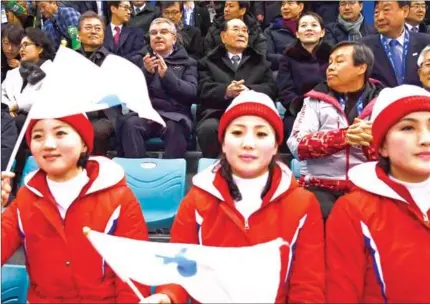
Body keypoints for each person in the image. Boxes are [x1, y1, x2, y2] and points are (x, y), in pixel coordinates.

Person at [143, 91, 325, 303]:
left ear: (276, 145)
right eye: (237, 133)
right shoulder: (196, 201)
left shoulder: (302, 204)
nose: (248, 143)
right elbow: (180, 267)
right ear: (222, 142)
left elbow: (307, 285)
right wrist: (168, 296)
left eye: (261, 134)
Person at [326, 85, 430, 302]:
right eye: (407, 128)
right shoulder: (353, 211)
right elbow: (342, 292)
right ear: (382, 146)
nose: (426, 139)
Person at [1, 112, 151, 302]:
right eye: (38, 136)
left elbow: (133, 270)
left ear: (84, 144)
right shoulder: (25, 198)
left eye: (60, 133)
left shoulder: (119, 198)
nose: (48, 144)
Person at [287, 41, 383, 219]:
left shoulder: (385, 101)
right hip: (320, 185)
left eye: (339, 62)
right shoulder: (315, 100)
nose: (330, 68)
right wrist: (343, 137)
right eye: (330, 62)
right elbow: (296, 145)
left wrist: (371, 141)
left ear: (361, 67)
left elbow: (397, 153)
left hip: (369, 185)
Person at [119, 18, 198, 159]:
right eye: (154, 33)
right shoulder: (139, 60)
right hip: (146, 114)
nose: (158, 36)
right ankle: (137, 174)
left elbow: (191, 93)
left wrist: (167, 76)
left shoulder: (188, 62)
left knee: (176, 129)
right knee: (130, 124)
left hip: (175, 115)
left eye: (164, 32)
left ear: (174, 39)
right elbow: (128, 94)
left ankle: (170, 175)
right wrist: (146, 73)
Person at [197, 18, 276, 158]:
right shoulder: (208, 61)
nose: (242, 34)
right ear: (223, 36)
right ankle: (215, 170)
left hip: (253, 112)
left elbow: (271, 89)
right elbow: (202, 89)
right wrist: (226, 91)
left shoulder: (260, 61)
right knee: (208, 128)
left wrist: (249, 91)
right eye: (236, 29)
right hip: (218, 112)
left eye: (245, 31)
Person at [277, 12, 332, 143]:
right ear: (297, 33)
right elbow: (285, 90)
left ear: (322, 32)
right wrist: (301, 108)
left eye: (314, 25)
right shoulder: (288, 57)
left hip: (329, 109)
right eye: (303, 26)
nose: (309, 28)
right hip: (298, 111)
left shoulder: (332, 55)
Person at [360, 1, 430, 88]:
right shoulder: (363, 47)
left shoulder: (427, 44)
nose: (380, 17)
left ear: (405, 11)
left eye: (386, 10)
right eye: (376, 12)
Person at [76, 10, 118, 156]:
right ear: (78, 34)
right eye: (88, 28)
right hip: (74, 111)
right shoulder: (69, 59)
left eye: (98, 28)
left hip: (104, 115)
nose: (93, 31)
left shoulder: (113, 61)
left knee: (94, 130)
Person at [2, 27, 55, 133]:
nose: (21, 49)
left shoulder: (52, 70)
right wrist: (8, 109)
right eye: (21, 46)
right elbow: (2, 93)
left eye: (26, 45)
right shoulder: (13, 73)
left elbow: (45, 97)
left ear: (40, 48)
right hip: (9, 119)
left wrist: (16, 106)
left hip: (40, 123)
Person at [263, 0, 304, 71]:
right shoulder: (271, 30)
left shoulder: (310, 28)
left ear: (300, 7)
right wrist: (290, 60)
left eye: (290, 3)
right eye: (283, 4)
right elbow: (267, 57)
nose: (285, 7)